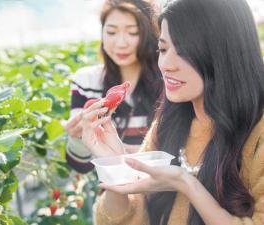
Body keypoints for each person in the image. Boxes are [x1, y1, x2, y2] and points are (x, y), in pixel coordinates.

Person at [81, 0, 264, 224]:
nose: (165, 64)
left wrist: (186, 184)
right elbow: (132, 219)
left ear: (225, 52)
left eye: (184, 51)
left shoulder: (259, 134)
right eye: (163, 49)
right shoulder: (170, 123)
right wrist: (118, 166)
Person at [64, 0, 163, 173]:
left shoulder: (167, 82)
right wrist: (77, 139)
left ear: (150, 34)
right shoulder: (87, 82)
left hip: (160, 192)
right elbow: (81, 166)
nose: (120, 43)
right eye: (111, 32)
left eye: (133, 32)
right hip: (111, 193)